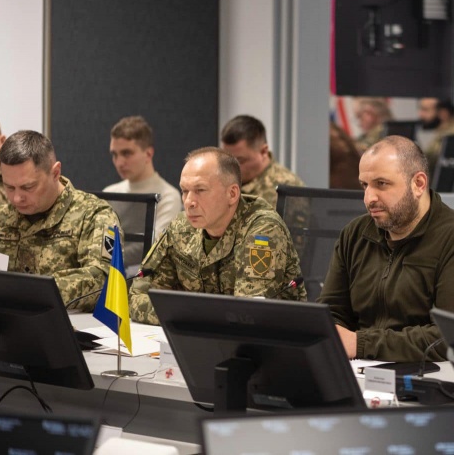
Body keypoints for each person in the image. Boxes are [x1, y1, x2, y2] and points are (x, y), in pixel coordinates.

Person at [318, 135, 454, 362]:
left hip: (430, 372)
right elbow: (332, 312)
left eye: (382, 184)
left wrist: (359, 344)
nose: (369, 198)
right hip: (362, 367)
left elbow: (452, 338)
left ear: (418, 184)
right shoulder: (355, 234)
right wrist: (335, 337)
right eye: (364, 185)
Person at [129, 147, 306, 325]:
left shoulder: (263, 231)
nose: (189, 202)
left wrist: (182, 313)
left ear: (232, 194)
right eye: (184, 191)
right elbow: (137, 296)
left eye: (200, 190)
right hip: (197, 337)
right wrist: (190, 316)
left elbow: (247, 315)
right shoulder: (181, 227)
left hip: (272, 339)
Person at [0, 130, 120, 311]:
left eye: (28, 187)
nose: (17, 198)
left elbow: (104, 279)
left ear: (55, 173)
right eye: (9, 187)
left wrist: (24, 291)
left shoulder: (94, 215)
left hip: (68, 324)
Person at [104, 116, 183, 268]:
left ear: (148, 154)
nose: (119, 162)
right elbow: (101, 243)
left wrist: (107, 259)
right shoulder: (109, 192)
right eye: (115, 154)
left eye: (127, 153)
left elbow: (154, 248)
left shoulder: (168, 196)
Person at [220, 115, 304, 208]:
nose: (231, 168)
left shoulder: (287, 189)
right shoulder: (221, 180)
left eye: (240, 161)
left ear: (263, 152)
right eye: (227, 160)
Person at [417, 98, 454, 174]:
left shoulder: (452, 137)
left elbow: (427, 161)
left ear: (444, 114)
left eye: (426, 110)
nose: (420, 114)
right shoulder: (449, 133)